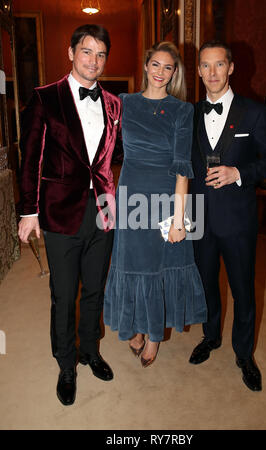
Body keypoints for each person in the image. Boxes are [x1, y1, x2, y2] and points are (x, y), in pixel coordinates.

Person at [18, 24, 122, 405]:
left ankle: (90, 350)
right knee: (64, 294)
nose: (93, 61)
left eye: (100, 54)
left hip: (103, 212)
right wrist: (28, 210)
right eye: (86, 51)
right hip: (60, 212)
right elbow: (30, 158)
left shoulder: (113, 103)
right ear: (70, 52)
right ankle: (66, 365)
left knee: (95, 288)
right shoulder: (46, 98)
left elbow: (115, 156)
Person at [189, 40, 266, 391]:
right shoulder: (189, 113)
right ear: (198, 70)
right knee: (206, 284)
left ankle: (244, 354)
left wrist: (239, 173)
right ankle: (211, 336)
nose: (212, 73)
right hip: (200, 218)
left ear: (231, 68)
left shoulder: (256, 113)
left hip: (238, 219)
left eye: (219, 65)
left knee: (243, 289)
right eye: (205, 65)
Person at [104, 41, 207, 367]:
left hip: (166, 198)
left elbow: (182, 167)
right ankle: (134, 326)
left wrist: (179, 219)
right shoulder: (124, 103)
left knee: (160, 267)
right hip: (131, 192)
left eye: (168, 67)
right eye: (156, 65)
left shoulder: (182, 110)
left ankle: (153, 336)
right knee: (133, 264)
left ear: (174, 72)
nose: (161, 72)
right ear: (146, 65)